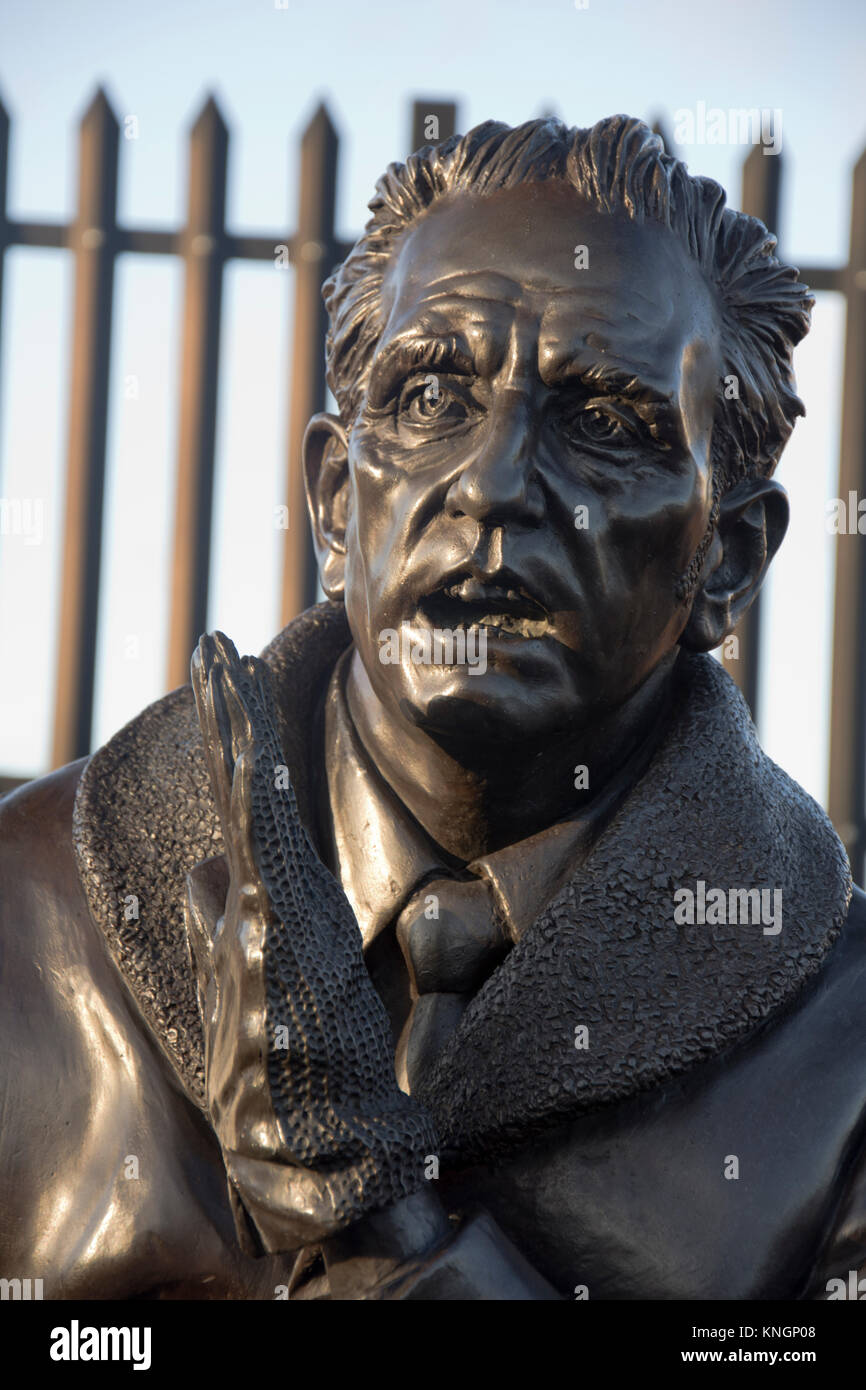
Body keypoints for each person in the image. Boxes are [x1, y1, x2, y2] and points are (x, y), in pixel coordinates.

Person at [1, 115, 863, 1301]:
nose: (493, 483)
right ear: (334, 505)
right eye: (428, 395)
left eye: (606, 423)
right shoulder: (26, 915)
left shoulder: (847, 1044)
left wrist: (372, 1216)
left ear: (725, 558)